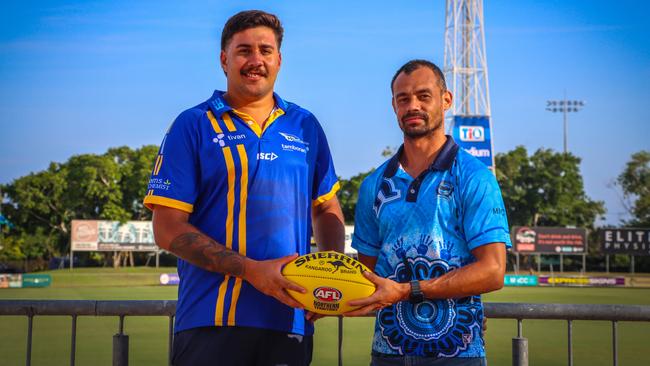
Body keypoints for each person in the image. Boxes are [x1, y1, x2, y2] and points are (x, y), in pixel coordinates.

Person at [143, 10, 344, 366]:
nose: (256, 61)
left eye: (265, 51)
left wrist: (330, 283)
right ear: (224, 59)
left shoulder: (305, 125)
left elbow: (326, 207)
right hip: (211, 320)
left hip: (290, 320)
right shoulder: (193, 124)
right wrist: (252, 271)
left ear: (279, 60)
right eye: (244, 51)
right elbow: (167, 227)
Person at [346, 59, 511, 365]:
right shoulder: (373, 185)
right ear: (393, 105)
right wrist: (316, 296)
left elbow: (493, 270)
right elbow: (365, 279)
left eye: (424, 96)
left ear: (446, 100)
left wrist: (408, 291)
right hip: (388, 352)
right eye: (403, 98)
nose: (413, 106)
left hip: (458, 354)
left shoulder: (474, 177)